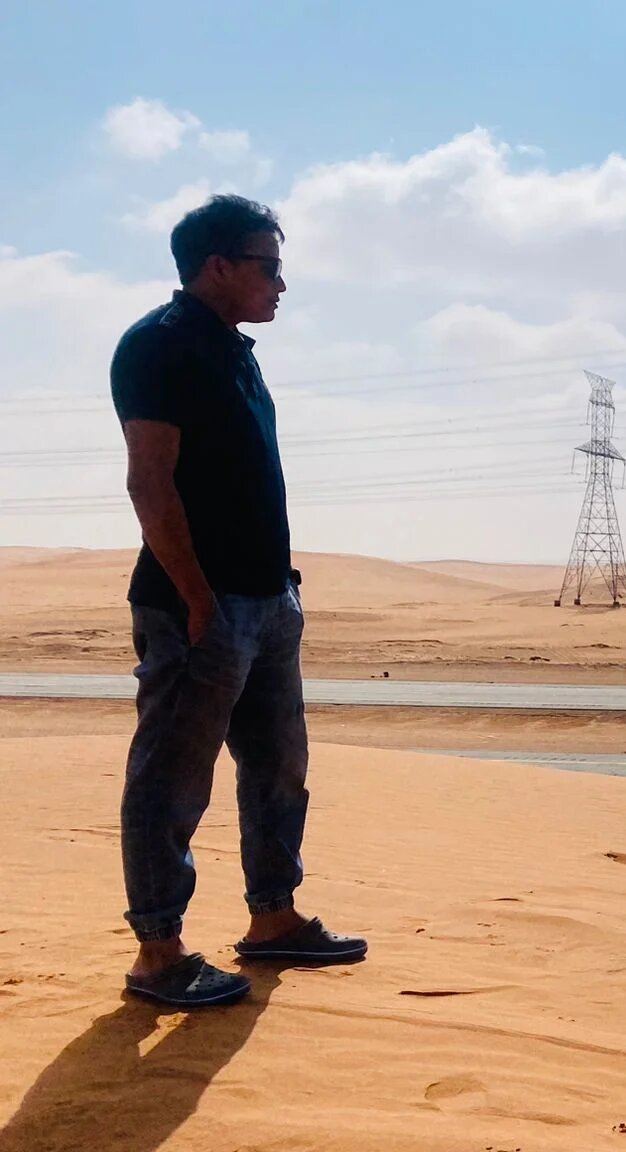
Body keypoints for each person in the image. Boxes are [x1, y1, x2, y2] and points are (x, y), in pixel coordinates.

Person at [111, 194, 366, 1009]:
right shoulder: (157, 345)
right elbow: (150, 482)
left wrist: (281, 589)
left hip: (266, 602)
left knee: (279, 769)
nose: (282, 285)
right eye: (270, 266)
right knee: (172, 781)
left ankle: (272, 920)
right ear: (216, 265)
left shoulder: (236, 352)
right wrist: (195, 598)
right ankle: (159, 953)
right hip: (200, 607)